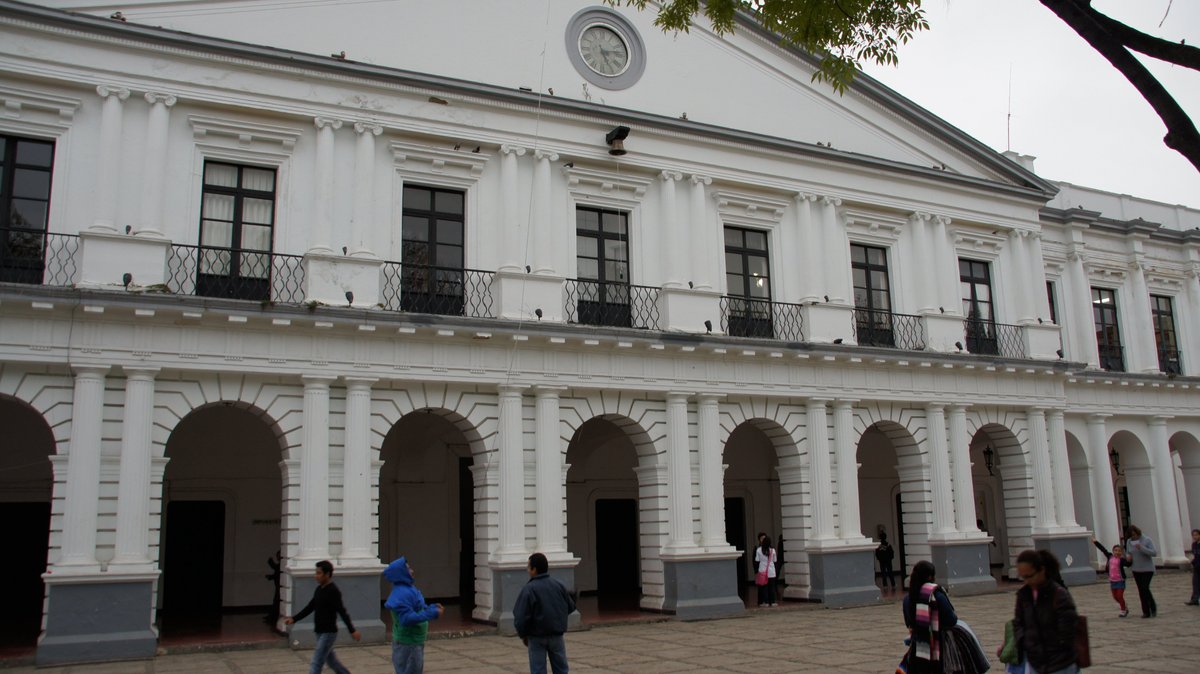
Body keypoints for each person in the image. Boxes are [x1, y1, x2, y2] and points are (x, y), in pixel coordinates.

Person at [285, 560, 362, 674]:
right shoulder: (319, 589)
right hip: (319, 631)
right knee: (332, 662)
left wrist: (352, 630)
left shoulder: (333, 591)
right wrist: (294, 619)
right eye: (316, 573)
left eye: (319, 573)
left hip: (328, 633)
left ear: (327, 574)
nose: (316, 576)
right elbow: (310, 607)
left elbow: (342, 611)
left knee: (317, 662)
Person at [1012, 549, 1078, 674]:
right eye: (1022, 577)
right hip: (1035, 663)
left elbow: (1068, 630)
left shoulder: (1059, 594)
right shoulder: (1024, 595)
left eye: (1029, 576)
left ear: (1041, 570)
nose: (1026, 581)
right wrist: (1024, 642)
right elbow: (1018, 623)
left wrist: (1054, 648)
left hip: (1060, 664)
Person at [514, 552, 576, 674]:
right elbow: (570, 605)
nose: (527, 570)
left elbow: (521, 617)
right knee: (562, 669)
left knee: (538, 670)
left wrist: (523, 635)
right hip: (557, 635)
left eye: (528, 567)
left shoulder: (529, 589)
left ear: (534, 569)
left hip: (536, 637)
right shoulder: (558, 585)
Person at [384, 556, 443, 674]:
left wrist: (432, 608)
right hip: (408, 644)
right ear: (401, 573)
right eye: (408, 568)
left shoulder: (408, 589)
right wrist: (432, 613)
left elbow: (419, 607)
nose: (412, 570)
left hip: (413, 642)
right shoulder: (401, 594)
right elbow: (407, 619)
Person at [902, 560, 958, 674]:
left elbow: (909, 623)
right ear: (929, 577)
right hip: (940, 647)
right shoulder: (938, 596)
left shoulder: (908, 599)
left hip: (918, 649)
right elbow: (951, 620)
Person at [1092, 538, 1131, 617]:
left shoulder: (1122, 560)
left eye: (1119, 551)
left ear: (1121, 552)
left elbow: (1128, 564)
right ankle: (1124, 605)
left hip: (1120, 580)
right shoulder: (1110, 557)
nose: (1117, 552)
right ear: (1113, 551)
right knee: (1115, 597)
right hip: (1113, 581)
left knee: (1120, 596)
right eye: (1115, 550)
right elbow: (1103, 550)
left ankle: (1123, 610)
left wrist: (1130, 560)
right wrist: (1096, 542)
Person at [1124, 525, 1157, 618]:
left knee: (1145, 588)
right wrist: (1128, 556)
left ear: (1138, 533)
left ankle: (1152, 606)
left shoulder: (1147, 540)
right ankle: (1146, 611)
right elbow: (1128, 552)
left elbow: (1153, 553)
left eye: (1135, 535)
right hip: (1136, 569)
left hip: (1147, 569)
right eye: (1131, 535)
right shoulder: (1129, 541)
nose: (1134, 537)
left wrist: (1141, 548)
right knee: (1141, 590)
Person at [754, 534, 778, 606]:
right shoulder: (772, 550)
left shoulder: (758, 550)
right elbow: (775, 560)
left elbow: (757, 560)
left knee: (764, 587)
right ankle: (772, 601)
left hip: (762, 571)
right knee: (772, 587)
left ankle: (765, 602)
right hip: (771, 571)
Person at [1187, 529, 1200, 606]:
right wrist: (1192, 561)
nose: (1195, 537)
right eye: (1193, 535)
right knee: (1195, 583)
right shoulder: (1194, 545)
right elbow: (1194, 556)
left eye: (1196, 535)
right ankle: (1195, 599)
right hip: (1196, 567)